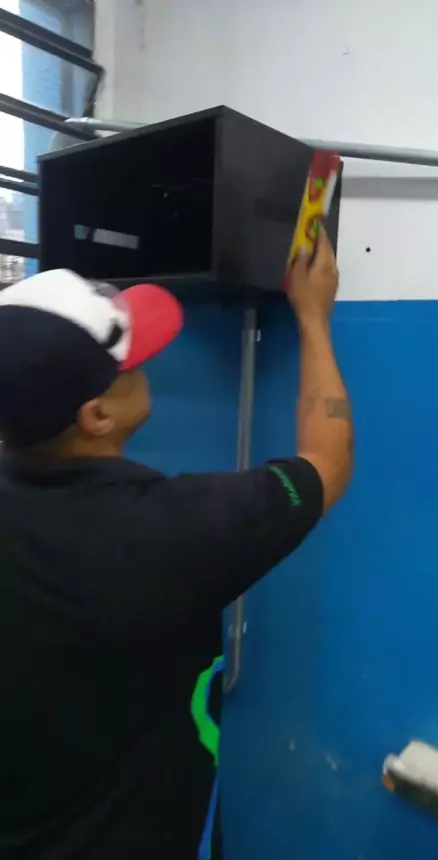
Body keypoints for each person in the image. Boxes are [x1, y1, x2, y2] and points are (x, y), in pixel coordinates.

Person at [0, 228, 353, 859]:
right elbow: (327, 464)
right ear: (96, 416)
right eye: (130, 364)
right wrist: (313, 316)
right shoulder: (173, 531)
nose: (148, 364)